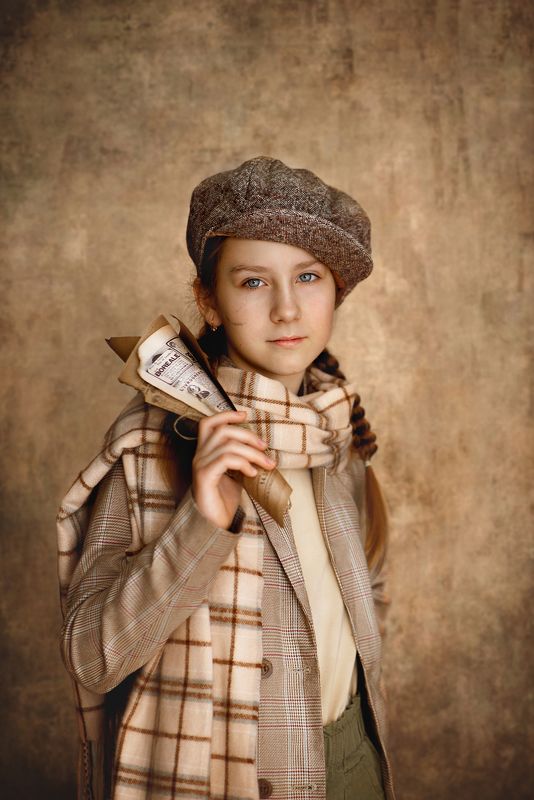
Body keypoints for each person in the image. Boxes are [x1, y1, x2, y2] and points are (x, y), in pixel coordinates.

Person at [57, 156, 396, 800]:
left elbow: (370, 595)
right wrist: (201, 522)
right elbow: (91, 660)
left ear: (336, 291)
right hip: (227, 779)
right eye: (252, 282)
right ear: (208, 301)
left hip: (354, 762)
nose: (287, 308)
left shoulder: (337, 430)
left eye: (308, 276)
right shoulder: (148, 451)